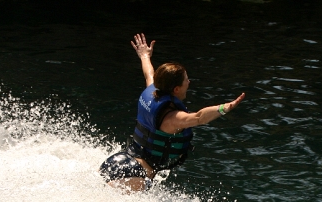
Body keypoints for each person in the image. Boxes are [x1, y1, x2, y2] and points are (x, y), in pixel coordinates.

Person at [99, 33, 245, 191]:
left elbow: (149, 73)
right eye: (186, 80)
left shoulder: (152, 90)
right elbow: (199, 117)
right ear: (176, 89)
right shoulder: (171, 118)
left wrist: (144, 55)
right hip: (133, 174)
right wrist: (224, 108)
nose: (189, 82)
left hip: (117, 161)